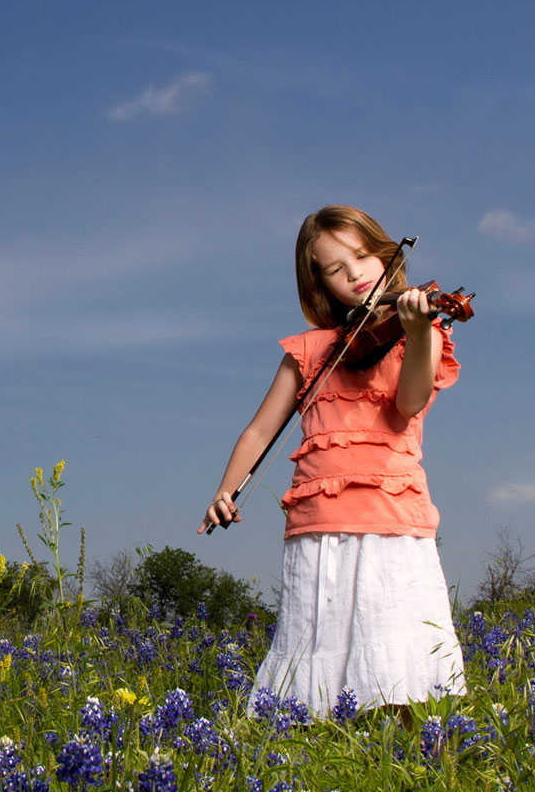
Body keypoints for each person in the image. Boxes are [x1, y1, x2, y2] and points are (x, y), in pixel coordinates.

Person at [196, 204, 465, 729]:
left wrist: (415, 332)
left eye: (363, 257)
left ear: (385, 255)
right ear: (318, 284)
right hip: (317, 523)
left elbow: (408, 403)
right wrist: (226, 489)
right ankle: (320, 755)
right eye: (336, 269)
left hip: (391, 519)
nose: (355, 274)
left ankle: (408, 770)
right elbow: (259, 430)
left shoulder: (422, 331)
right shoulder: (312, 350)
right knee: (316, 641)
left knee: (398, 648)